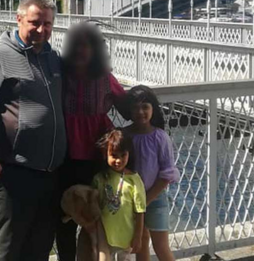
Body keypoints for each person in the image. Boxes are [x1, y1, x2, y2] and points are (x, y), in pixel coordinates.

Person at [0, 0, 66, 261]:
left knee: (39, 250)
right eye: (35, 22)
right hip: (14, 174)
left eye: (48, 24)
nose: (42, 30)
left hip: (50, 175)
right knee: (9, 252)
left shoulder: (53, 58)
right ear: (19, 19)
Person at [56, 21, 129, 261]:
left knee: (95, 217)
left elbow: (128, 107)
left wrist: (149, 128)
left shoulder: (105, 78)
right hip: (63, 156)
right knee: (64, 216)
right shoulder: (60, 75)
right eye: (76, 45)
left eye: (86, 46)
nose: (80, 51)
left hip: (98, 157)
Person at [125, 85, 179, 261]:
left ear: (153, 109)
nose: (140, 112)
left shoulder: (160, 137)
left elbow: (167, 174)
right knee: (140, 243)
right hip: (130, 200)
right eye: (135, 107)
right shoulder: (124, 135)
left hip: (155, 199)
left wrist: (146, 200)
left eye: (145, 107)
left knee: (161, 246)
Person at [92, 129, 146, 261]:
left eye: (123, 155)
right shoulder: (100, 178)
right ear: (106, 154)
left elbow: (140, 210)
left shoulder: (134, 179)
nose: (118, 160)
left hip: (126, 236)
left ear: (129, 154)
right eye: (114, 155)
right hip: (104, 233)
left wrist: (138, 236)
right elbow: (94, 205)